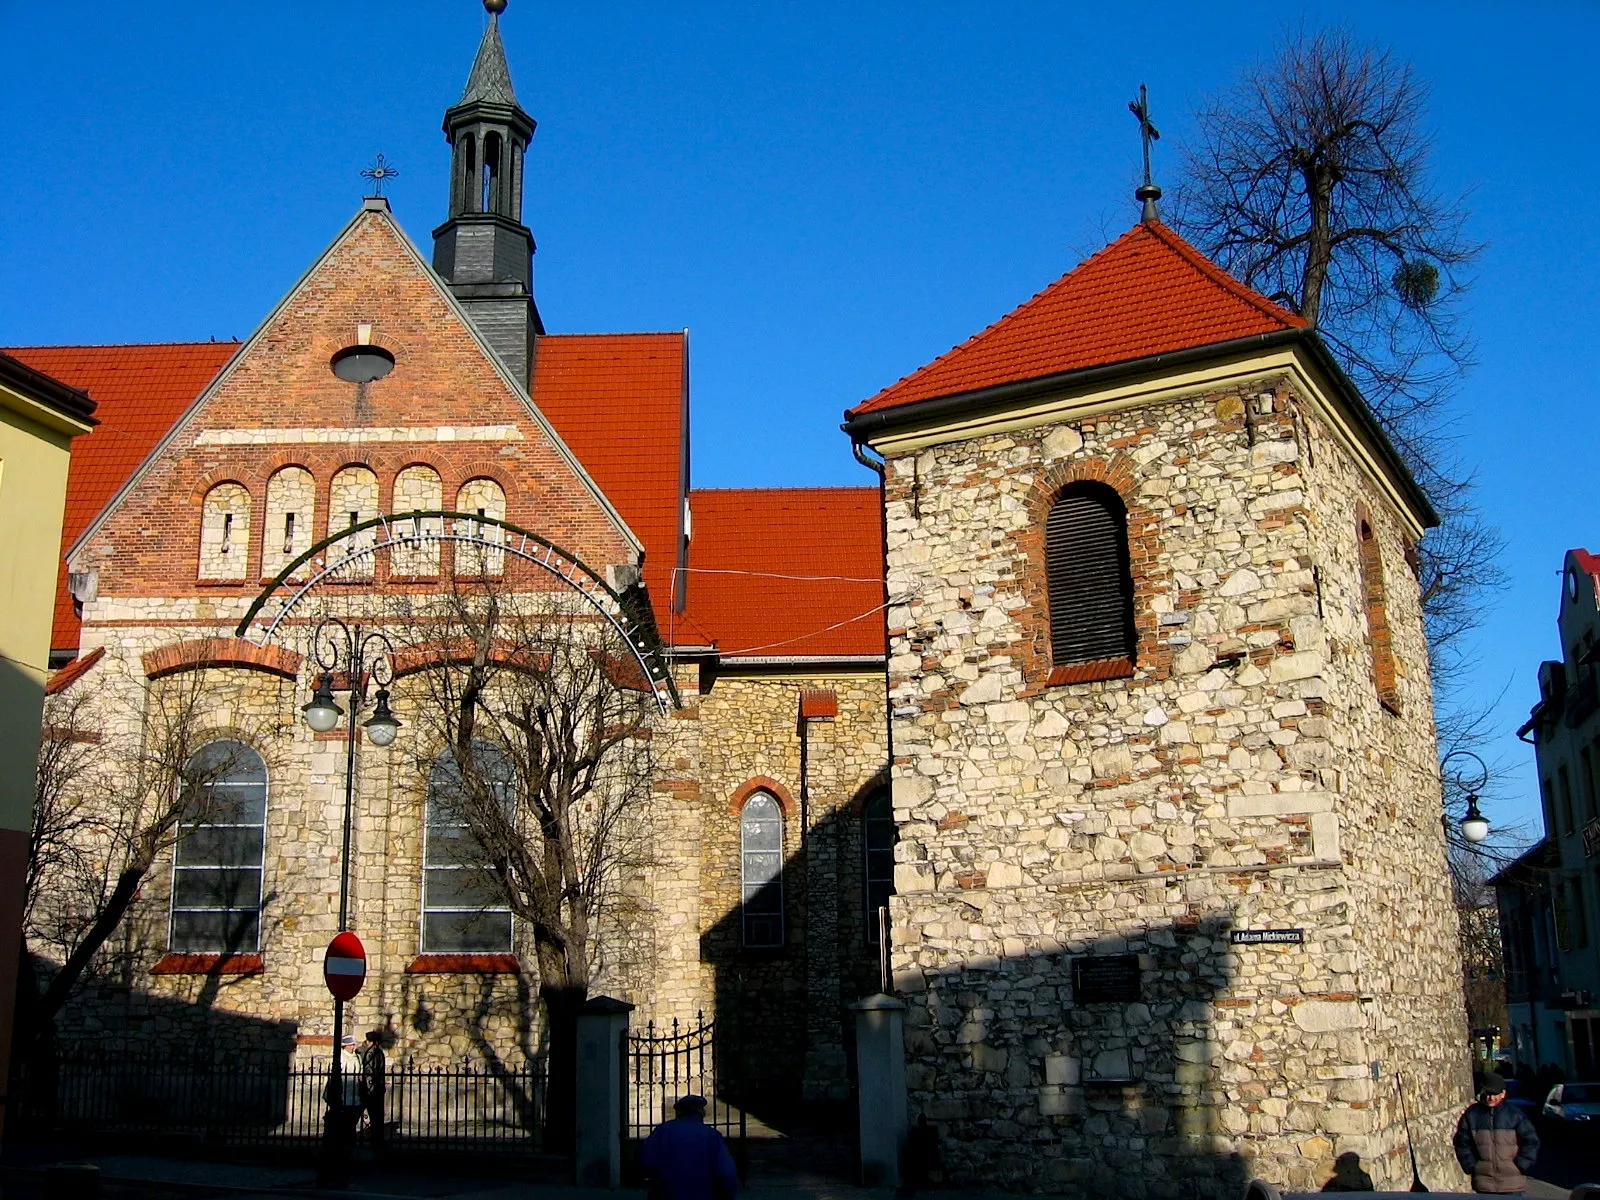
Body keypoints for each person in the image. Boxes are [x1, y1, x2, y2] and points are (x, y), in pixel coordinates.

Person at [637, 1094, 739, 1200]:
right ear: (701, 1112)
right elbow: (726, 1173)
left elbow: (645, 1160)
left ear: (679, 1112)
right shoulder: (711, 1135)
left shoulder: (662, 1131)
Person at [1454, 1072, 1540, 1194]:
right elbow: (1462, 1142)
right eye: (1488, 1093)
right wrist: (1472, 1166)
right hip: (1484, 1184)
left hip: (1513, 1185)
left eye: (1495, 1094)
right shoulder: (1472, 1115)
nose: (1491, 1098)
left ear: (1503, 1094)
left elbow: (1531, 1141)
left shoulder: (1515, 1115)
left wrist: (1521, 1164)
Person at [358, 1030, 387, 1150]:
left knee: (374, 1114)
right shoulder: (378, 1052)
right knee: (376, 1114)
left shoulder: (371, 1053)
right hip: (374, 1088)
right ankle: (376, 1137)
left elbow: (372, 1071)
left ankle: (373, 1137)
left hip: (371, 1088)